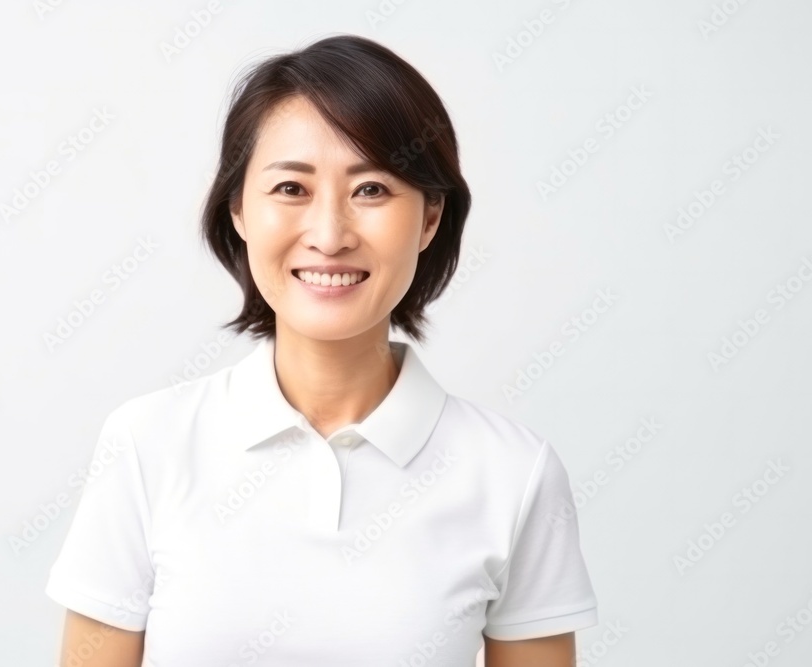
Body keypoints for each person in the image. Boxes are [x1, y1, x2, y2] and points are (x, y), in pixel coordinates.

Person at [45, 33, 598, 666]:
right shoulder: (146, 444)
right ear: (239, 212)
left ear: (429, 219)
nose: (329, 235)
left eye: (371, 190)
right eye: (290, 189)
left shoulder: (513, 475)